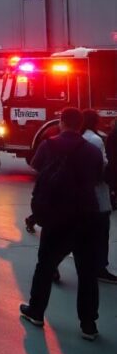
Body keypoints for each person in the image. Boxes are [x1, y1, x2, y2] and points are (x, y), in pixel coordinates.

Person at [20, 107, 103, 340]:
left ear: (62, 122)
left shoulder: (49, 145)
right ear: (80, 125)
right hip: (87, 215)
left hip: (57, 215)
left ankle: (36, 311)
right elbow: (98, 177)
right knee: (87, 272)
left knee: (45, 266)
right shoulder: (92, 149)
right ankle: (89, 324)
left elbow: (36, 167)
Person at [81, 109, 117, 283]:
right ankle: (100, 266)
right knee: (102, 231)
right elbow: (103, 166)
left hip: (81, 194)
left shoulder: (81, 138)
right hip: (97, 194)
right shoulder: (96, 140)